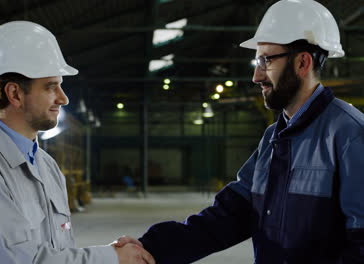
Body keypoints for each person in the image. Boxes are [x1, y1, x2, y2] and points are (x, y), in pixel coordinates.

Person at [114, 0, 364, 263]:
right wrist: (152, 247)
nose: (256, 76)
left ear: (302, 63)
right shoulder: (274, 139)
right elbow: (231, 215)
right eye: (257, 61)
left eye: (266, 60)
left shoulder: (350, 135)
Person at [0, 21, 155, 264]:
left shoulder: (47, 166)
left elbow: (56, 255)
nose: (63, 98)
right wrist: (111, 258)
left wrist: (112, 253)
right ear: (14, 94)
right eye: (50, 87)